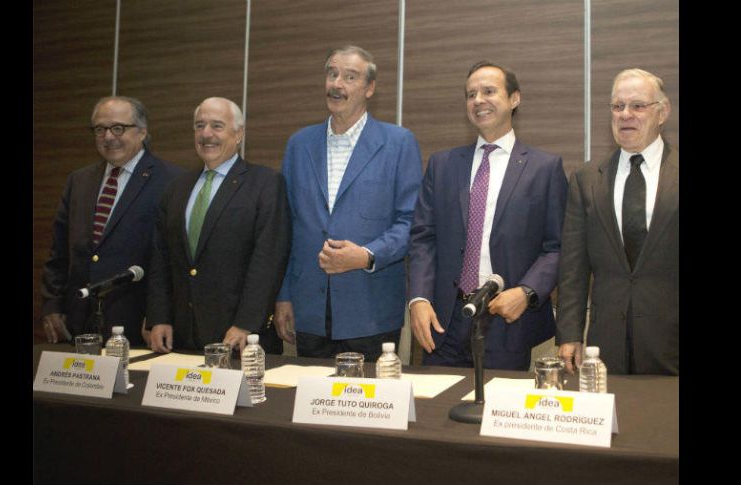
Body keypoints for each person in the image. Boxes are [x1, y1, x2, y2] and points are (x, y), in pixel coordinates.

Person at [408, 60, 568, 371]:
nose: (478, 100)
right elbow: (422, 238)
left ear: (514, 99)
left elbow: (558, 246)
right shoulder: (442, 165)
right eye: (471, 94)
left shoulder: (544, 168)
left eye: (489, 91)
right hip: (444, 320)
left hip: (506, 318)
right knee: (435, 401)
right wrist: (419, 299)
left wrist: (526, 292)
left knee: (499, 402)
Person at [274, 45, 423, 362]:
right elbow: (285, 228)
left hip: (371, 309)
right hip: (309, 308)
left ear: (369, 88)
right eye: (332, 74)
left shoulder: (398, 143)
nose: (337, 84)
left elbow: (410, 222)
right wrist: (284, 294)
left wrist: (367, 256)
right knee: (308, 393)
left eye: (350, 77)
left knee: (367, 393)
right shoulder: (299, 144)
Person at [556, 69, 678, 375]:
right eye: (617, 106)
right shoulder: (586, 179)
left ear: (662, 113)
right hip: (606, 344)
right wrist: (570, 333)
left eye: (638, 106)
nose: (625, 115)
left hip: (671, 341)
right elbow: (573, 266)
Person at [146, 97, 290, 354]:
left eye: (217, 126)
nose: (206, 134)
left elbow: (268, 260)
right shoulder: (176, 188)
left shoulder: (265, 184)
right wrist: (159, 317)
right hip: (182, 337)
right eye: (199, 126)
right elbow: (160, 259)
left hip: (239, 338)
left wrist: (246, 323)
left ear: (239, 134)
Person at [40, 96, 182, 347]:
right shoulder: (78, 181)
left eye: (118, 128)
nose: (108, 137)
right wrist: (53, 304)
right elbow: (59, 253)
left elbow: (174, 260)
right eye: (100, 129)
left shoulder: (172, 181)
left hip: (137, 324)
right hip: (79, 322)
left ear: (142, 132)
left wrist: (159, 314)